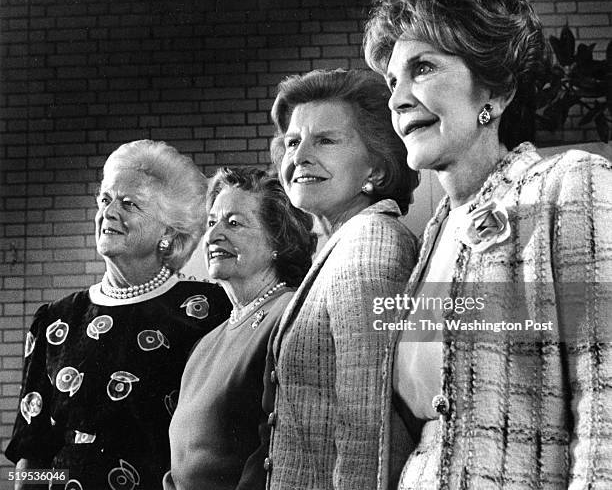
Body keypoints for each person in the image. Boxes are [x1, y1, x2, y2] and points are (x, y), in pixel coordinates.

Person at [363, 0, 612, 489]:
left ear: (494, 91)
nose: (397, 98)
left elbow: (606, 401)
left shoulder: (569, 187)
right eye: (392, 81)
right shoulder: (434, 234)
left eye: (423, 68)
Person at [5, 140, 231, 490]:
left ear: (168, 233)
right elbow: (33, 454)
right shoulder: (55, 320)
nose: (109, 213)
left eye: (129, 204)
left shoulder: (208, 309)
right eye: (105, 200)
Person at [265, 68, 420, 489]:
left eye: (326, 140)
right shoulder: (341, 243)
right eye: (293, 142)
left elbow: (369, 426)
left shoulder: (370, 244)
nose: (299, 156)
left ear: (378, 165)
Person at [164, 167, 314, 490]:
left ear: (279, 239)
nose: (214, 234)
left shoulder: (289, 316)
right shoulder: (206, 342)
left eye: (233, 223)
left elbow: (276, 451)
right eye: (211, 223)